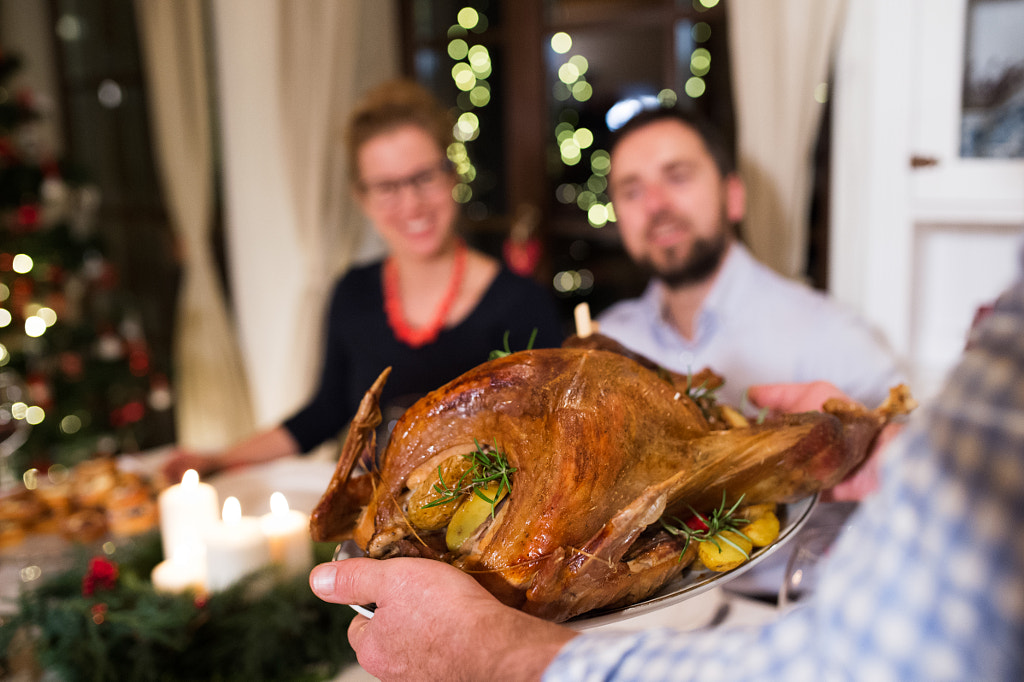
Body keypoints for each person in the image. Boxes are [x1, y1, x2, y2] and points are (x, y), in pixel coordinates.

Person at [309, 255, 1024, 680]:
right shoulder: (621, 323)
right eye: (633, 185)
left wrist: (505, 656)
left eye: (676, 174)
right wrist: (894, 452)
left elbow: (875, 667)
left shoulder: (813, 319)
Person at [163, 79, 564, 482]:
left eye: (423, 177)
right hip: (375, 527)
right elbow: (324, 412)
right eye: (387, 187)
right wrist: (220, 460)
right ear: (363, 198)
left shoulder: (521, 303)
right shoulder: (353, 293)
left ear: (452, 176)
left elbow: (549, 442)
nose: (410, 203)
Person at [597, 106, 904, 412]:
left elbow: (914, 452)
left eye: (678, 177)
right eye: (632, 191)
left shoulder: (830, 338)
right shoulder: (606, 345)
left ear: (733, 196)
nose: (654, 204)